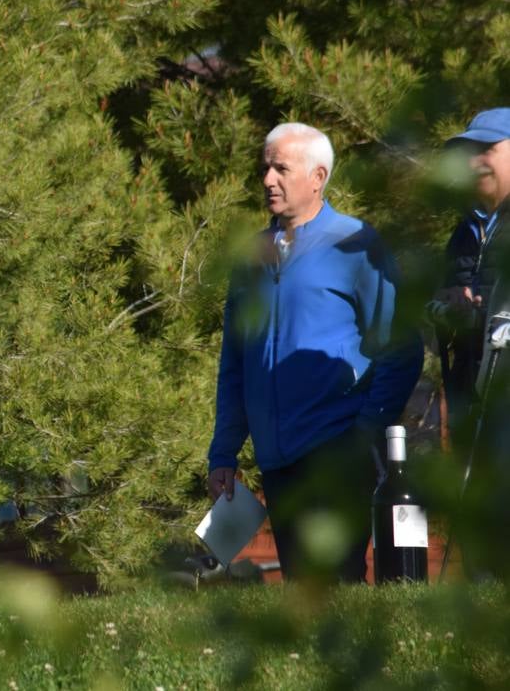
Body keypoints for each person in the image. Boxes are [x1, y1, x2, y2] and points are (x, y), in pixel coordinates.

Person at [207, 123, 422, 582]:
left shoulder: (356, 245)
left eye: (281, 168)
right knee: (302, 591)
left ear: (317, 176)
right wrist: (223, 453)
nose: (267, 179)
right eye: (265, 167)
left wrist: (365, 430)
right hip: (276, 457)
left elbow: (401, 346)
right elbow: (235, 366)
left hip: (335, 449)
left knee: (335, 586)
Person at [429, 109, 510, 431]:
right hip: (472, 405)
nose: (473, 163)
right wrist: (445, 307)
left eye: (486, 150)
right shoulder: (465, 230)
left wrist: (483, 313)